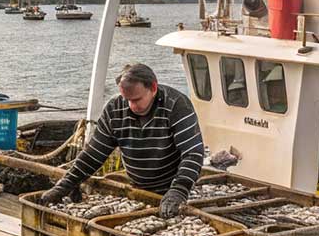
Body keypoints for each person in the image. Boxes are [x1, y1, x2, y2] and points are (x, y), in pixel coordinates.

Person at [39, 63, 205, 218]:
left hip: (172, 188)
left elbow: (193, 153)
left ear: (153, 88)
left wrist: (179, 191)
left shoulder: (177, 105)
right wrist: (65, 185)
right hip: (138, 190)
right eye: (127, 99)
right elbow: (94, 153)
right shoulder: (115, 109)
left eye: (137, 100)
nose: (131, 105)